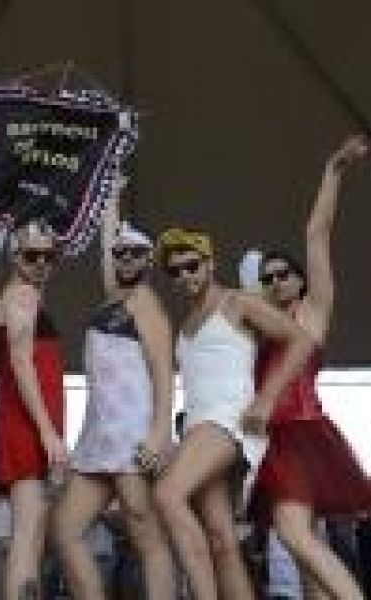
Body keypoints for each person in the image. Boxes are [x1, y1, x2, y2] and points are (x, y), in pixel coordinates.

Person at [153, 227, 313, 600]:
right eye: (174, 271)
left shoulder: (236, 302)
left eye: (191, 266)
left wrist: (266, 399)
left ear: (210, 264)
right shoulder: (185, 322)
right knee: (221, 540)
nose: (184, 276)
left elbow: (300, 340)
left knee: (167, 495)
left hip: (228, 420)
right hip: (198, 426)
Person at [251, 135, 371, 598]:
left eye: (283, 273)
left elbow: (316, 233)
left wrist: (333, 170)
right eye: (267, 278)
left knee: (293, 533)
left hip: (303, 430)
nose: (275, 281)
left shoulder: (311, 311)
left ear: (301, 279)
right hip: (275, 437)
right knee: (304, 547)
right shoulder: (262, 325)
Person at [54, 183, 174, 599]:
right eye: (121, 253)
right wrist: (110, 201)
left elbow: (164, 373)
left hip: (131, 436)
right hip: (99, 436)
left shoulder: (146, 303)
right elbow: (106, 251)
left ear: (149, 259)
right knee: (65, 529)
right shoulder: (113, 299)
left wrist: (159, 435)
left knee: (145, 533)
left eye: (135, 253)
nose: (125, 258)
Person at [0, 219, 66, 600]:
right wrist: (47, 431)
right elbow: (22, 364)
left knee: (33, 532)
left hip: (27, 423)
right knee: (27, 532)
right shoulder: (22, 295)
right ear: (14, 255)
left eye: (49, 256)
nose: (41, 263)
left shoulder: (23, 294)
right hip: (25, 425)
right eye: (32, 255)